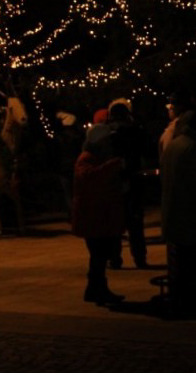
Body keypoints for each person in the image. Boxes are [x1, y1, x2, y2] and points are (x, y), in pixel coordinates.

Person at [160, 108, 196, 315]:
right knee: (194, 264)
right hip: (191, 218)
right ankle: (194, 301)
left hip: (173, 214)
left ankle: (181, 299)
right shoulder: (195, 150)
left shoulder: (173, 146)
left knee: (179, 265)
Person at [72, 123, 126, 306]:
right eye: (107, 140)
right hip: (93, 216)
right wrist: (113, 166)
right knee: (99, 255)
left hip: (97, 215)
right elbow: (89, 178)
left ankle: (93, 289)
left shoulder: (95, 158)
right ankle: (98, 290)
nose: (109, 143)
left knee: (99, 255)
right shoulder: (86, 159)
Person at [107, 100, 153, 269]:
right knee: (135, 222)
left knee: (114, 221)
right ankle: (139, 257)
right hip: (134, 179)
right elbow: (148, 150)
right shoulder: (136, 131)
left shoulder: (107, 133)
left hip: (114, 180)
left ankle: (114, 258)